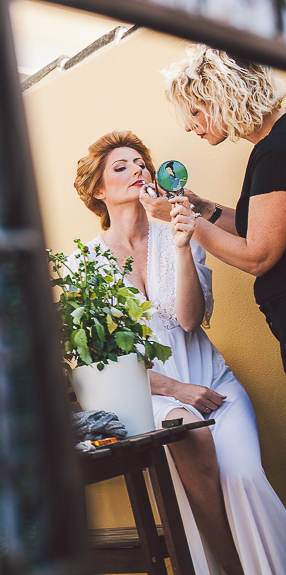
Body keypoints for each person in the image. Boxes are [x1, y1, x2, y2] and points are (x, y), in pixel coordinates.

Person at [74, 130, 286, 574]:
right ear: (98, 189)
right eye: (122, 166)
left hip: (212, 383)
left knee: (244, 476)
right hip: (150, 396)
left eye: (141, 164)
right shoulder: (84, 263)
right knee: (185, 428)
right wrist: (175, 388)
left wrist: (183, 244)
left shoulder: (177, 232)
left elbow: (189, 319)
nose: (138, 170)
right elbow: (100, 361)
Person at [141, 45, 286, 373]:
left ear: (224, 97)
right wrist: (204, 209)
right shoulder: (273, 145)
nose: (191, 127)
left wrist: (182, 218)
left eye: (195, 112)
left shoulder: (275, 152)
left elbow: (258, 256)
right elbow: (259, 229)